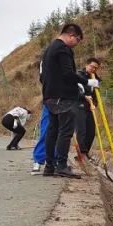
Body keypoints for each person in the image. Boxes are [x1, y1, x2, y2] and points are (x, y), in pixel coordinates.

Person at [40, 24, 96, 178]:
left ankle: (49, 166)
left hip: (50, 97)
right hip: (63, 98)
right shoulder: (63, 49)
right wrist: (87, 82)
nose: (76, 43)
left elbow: (42, 76)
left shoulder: (49, 49)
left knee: (53, 131)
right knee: (65, 131)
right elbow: (68, 73)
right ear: (71, 35)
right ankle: (62, 165)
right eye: (77, 40)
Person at [76, 57, 102, 158]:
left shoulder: (95, 79)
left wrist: (95, 104)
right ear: (87, 65)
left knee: (91, 131)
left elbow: (96, 95)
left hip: (89, 107)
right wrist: (84, 97)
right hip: (78, 105)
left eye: (96, 68)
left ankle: (85, 152)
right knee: (81, 130)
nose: (93, 69)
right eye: (92, 66)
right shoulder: (78, 76)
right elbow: (74, 91)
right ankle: (82, 153)